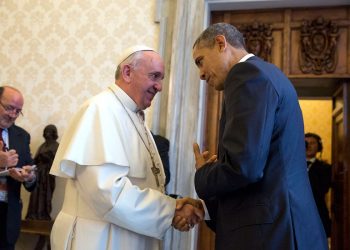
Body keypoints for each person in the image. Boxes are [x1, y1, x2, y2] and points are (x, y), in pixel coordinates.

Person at [50, 45, 204, 250]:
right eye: (154, 76)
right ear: (127, 72)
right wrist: (170, 210)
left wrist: (172, 203)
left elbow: (142, 185)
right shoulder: (101, 110)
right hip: (98, 239)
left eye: (161, 79)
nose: (159, 86)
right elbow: (106, 192)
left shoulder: (133, 115)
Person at [191, 23, 328, 250]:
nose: (201, 74)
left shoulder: (247, 75)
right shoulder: (268, 74)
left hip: (273, 235)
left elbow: (244, 167)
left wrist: (203, 175)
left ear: (220, 43)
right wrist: (207, 208)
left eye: (200, 61)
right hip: (283, 229)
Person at [0, 86, 36, 250]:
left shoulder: (22, 136)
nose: (13, 115)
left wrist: (29, 177)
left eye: (18, 111)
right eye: (9, 108)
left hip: (8, 217)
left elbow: (30, 171)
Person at [26, 124, 59, 220]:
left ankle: (43, 214)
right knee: (35, 194)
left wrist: (46, 157)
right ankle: (33, 214)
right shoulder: (42, 146)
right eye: (45, 131)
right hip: (38, 173)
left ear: (53, 133)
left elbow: (56, 162)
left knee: (45, 195)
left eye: (49, 131)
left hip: (48, 175)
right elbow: (35, 160)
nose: (47, 134)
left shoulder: (57, 146)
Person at [305, 132, 332, 237]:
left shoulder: (325, 168)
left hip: (317, 212)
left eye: (312, 143)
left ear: (319, 147)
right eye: (306, 143)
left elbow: (322, 190)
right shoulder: (292, 165)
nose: (309, 146)